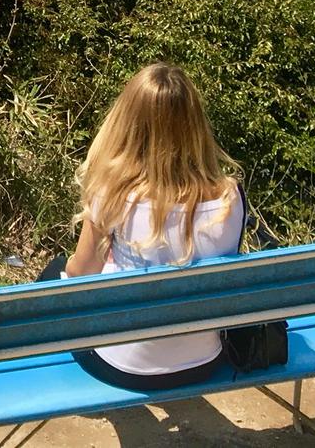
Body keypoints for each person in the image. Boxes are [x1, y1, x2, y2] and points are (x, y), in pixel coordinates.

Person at [39, 63, 244, 390]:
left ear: (129, 122)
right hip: (206, 361)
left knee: (54, 272)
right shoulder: (232, 197)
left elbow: (80, 276)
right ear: (195, 125)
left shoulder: (114, 192)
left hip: (125, 368)